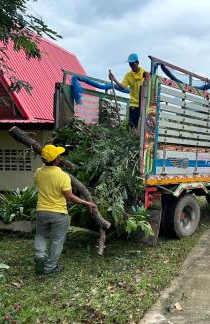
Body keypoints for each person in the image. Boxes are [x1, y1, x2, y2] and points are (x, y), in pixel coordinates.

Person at [34, 145, 97, 275]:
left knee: (41, 235)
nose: (60, 157)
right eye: (58, 155)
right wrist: (86, 203)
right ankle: (50, 267)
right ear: (56, 159)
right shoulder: (63, 176)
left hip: (41, 211)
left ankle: (40, 256)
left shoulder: (38, 173)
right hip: (59, 213)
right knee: (57, 240)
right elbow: (69, 197)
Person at [109, 53, 147, 129]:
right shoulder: (128, 75)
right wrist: (114, 79)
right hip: (134, 104)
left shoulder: (145, 73)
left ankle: (139, 140)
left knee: (144, 126)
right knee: (132, 125)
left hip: (144, 103)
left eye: (133, 64)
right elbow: (123, 87)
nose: (131, 66)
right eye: (130, 64)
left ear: (137, 62)